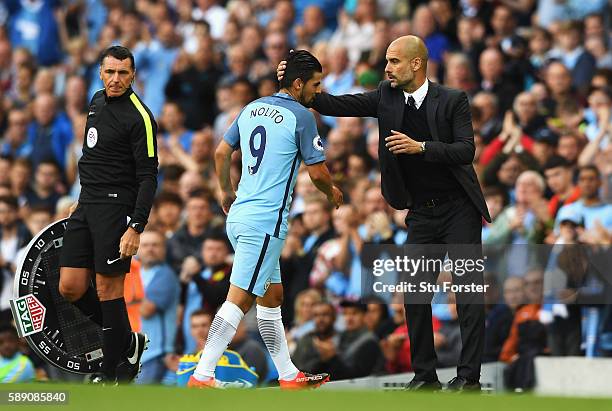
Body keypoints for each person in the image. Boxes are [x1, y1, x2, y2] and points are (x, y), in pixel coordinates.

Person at [278, 36, 489, 391]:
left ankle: (468, 377)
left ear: (416, 64)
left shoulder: (453, 100)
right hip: (421, 213)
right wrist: (292, 79)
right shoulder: (385, 95)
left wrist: (420, 147)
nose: (387, 68)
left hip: (460, 210)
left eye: (393, 61)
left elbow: (465, 150)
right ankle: (425, 377)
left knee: (468, 291)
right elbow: (333, 103)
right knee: (414, 292)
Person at [188, 50, 343, 390]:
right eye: (316, 84)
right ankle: (203, 374)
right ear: (299, 83)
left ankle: (288, 375)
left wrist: (224, 192)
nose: (318, 91)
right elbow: (316, 173)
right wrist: (332, 190)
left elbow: (220, 152)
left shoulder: (252, 107)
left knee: (271, 297)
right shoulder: (302, 117)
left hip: (241, 213)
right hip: (265, 223)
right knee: (239, 299)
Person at [57, 45, 159, 384]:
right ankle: (128, 341)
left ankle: (110, 373)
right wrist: (81, 197)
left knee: (108, 289)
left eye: (123, 73)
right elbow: (92, 156)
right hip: (86, 203)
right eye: (110, 72)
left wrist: (136, 226)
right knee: (70, 287)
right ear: (101, 73)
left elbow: (148, 176)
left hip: (116, 208)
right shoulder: (96, 101)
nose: (115, 79)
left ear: (133, 76)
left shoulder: (140, 116)